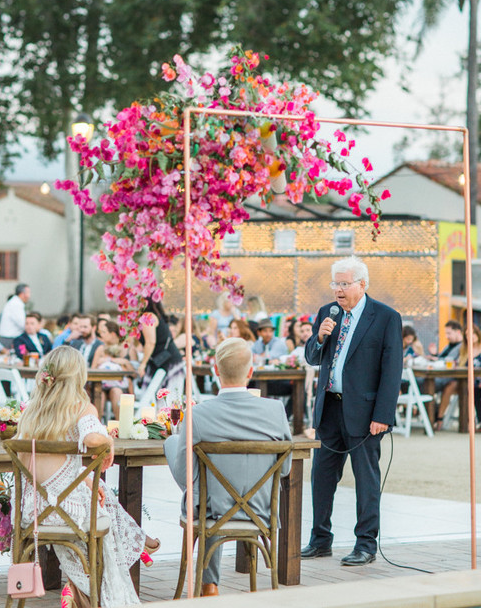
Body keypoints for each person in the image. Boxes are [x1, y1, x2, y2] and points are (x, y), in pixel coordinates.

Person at [15, 346, 159, 608]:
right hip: (66, 512)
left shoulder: (30, 412)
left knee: (97, 493)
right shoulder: (81, 407)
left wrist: (85, 478)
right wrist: (106, 442)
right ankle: (82, 588)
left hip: (33, 511)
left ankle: (78, 588)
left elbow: (43, 472)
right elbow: (92, 438)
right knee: (101, 510)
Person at [164, 338, 292, 596]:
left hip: (213, 510)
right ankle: (211, 581)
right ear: (251, 372)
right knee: (211, 484)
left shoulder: (198, 415)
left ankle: (209, 584)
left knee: (174, 445)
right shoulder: (275, 411)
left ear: (215, 371)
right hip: (261, 510)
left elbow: (183, 475)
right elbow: (286, 468)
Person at [301, 255, 402, 567]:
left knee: (366, 479)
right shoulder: (326, 314)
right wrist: (319, 338)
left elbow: (392, 369)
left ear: (362, 285)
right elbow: (312, 358)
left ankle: (366, 544)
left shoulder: (385, 317)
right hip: (330, 408)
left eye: (344, 284)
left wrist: (383, 416)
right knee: (321, 476)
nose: (338, 290)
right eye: (335, 283)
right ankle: (320, 540)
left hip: (366, 413)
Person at [433, 325, 481, 430]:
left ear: (477, 334)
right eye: (467, 335)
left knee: (469, 389)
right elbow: (459, 364)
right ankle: (439, 418)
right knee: (450, 385)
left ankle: (470, 421)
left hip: (479, 381)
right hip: (463, 380)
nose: (471, 336)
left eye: (473, 333)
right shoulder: (464, 349)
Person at [134, 299, 185, 394]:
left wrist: (143, 364)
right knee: (169, 399)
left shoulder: (148, 317)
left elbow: (150, 342)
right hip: (168, 360)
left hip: (166, 363)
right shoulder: (158, 316)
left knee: (162, 399)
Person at [0, 283, 30, 348]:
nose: (29, 296)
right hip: (9, 339)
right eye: (28, 292)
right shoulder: (16, 304)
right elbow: (22, 324)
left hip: (9, 338)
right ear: (22, 294)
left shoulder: (15, 302)